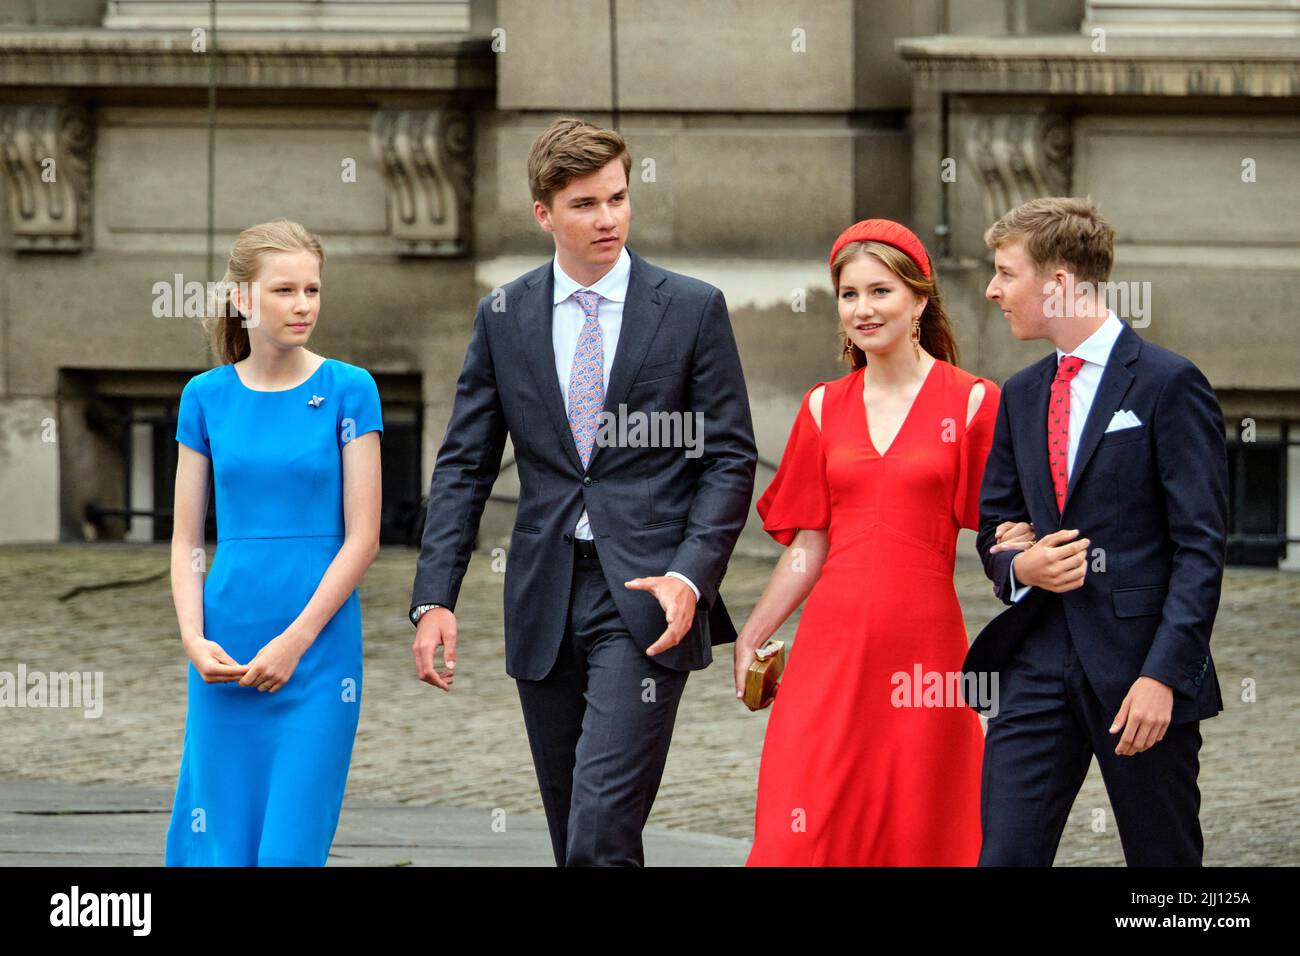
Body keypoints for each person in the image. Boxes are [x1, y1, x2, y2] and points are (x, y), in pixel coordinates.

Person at [408, 117, 757, 866]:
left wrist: (693, 576)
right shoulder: (504, 316)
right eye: (585, 205)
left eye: (618, 198)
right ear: (544, 214)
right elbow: (465, 464)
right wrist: (434, 597)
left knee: (601, 830)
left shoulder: (692, 308)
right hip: (543, 596)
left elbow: (728, 459)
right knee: (577, 836)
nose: (607, 219)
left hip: (649, 598)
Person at [741, 219, 1029, 866]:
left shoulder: (976, 404)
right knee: (797, 834)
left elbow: (1006, 531)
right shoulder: (822, 407)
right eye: (849, 295)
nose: (863, 310)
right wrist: (756, 631)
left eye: (881, 292)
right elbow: (808, 545)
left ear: (920, 299)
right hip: (829, 652)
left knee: (919, 832)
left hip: (924, 657)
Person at [968, 196, 1227, 866]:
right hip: (1033, 664)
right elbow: (993, 527)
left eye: (1005, 272)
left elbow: (1201, 547)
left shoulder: (1170, 384)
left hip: (1139, 672)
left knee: (1162, 865)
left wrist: (1164, 677)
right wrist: (1022, 569)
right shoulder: (1021, 393)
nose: (992, 289)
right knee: (1004, 857)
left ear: (1057, 283)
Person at [165, 219, 384, 866]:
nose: (303, 306)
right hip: (224, 645)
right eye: (285, 290)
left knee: (291, 846)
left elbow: (364, 538)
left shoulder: (350, 388)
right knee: (218, 843)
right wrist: (192, 638)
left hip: (317, 652)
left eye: (313, 290)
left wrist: (294, 642)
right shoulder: (204, 397)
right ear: (242, 299)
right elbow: (185, 542)